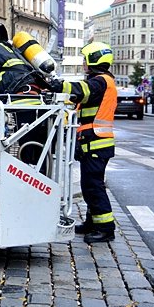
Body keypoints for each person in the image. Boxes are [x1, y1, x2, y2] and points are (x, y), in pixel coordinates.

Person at [48, 42, 118, 244]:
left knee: (94, 186)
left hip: (96, 143)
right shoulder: (102, 82)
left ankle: (105, 228)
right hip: (94, 143)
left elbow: (81, 90)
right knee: (90, 185)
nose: (84, 63)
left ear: (94, 60)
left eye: (86, 59)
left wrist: (57, 84)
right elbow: (79, 97)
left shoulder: (100, 82)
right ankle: (92, 222)